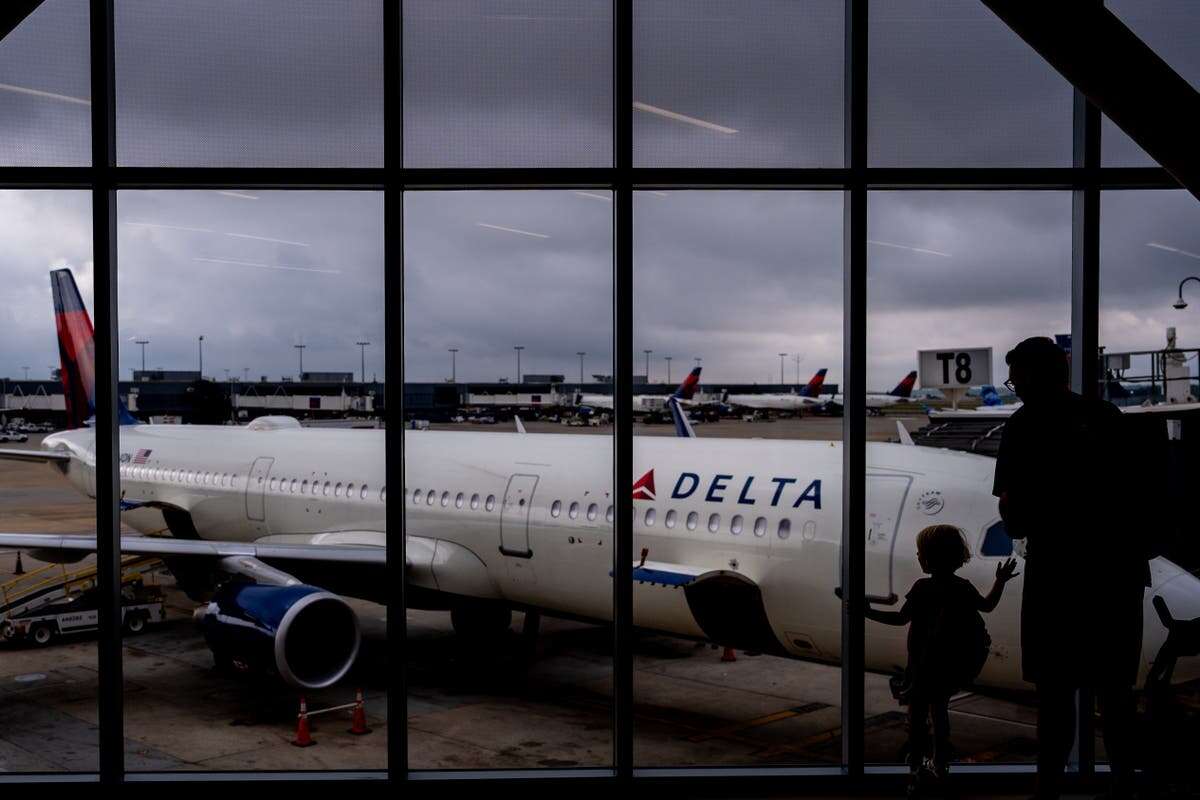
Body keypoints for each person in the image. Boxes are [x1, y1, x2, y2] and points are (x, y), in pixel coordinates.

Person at [992, 336, 1150, 799]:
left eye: (1016, 379)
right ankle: (1123, 782)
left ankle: (1049, 786)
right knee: (1117, 695)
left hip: (1059, 578)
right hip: (1116, 576)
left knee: (1055, 696)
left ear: (1034, 377)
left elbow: (1015, 516)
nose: (1015, 388)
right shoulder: (1109, 419)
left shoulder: (1024, 426)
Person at [864, 524, 1019, 797]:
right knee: (939, 712)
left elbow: (900, 618)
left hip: (923, 666)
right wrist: (1001, 581)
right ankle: (940, 762)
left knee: (917, 716)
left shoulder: (923, 588)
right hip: (947, 666)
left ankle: (916, 765)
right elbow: (988, 606)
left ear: (928, 559)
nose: (918, 557)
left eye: (920, 553)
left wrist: (868, 613)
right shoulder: (963, 588)